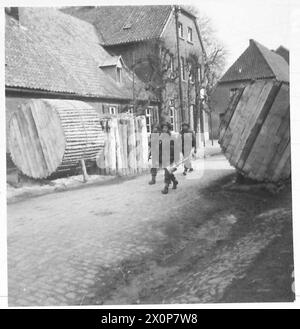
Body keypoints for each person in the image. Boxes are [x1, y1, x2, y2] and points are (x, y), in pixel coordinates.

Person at [148, 122, 178, 194]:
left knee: (167, 172)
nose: (164, 129)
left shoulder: (172, 136)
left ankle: (166, 187)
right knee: (168, 171)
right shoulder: (160, 136)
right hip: (162, 156)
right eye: (163, 128)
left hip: (170, 156)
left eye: (166, 128)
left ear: (168, 129)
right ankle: (174, 181)